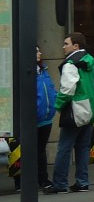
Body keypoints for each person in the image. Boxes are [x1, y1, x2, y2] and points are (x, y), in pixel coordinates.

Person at [47, 32, 94, 194]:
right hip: (91, 109)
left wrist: (58, 106)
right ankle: (82, 182)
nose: (63, 47)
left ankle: (60, 183)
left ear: (75, 46)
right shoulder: (92, 61)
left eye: (66, 43)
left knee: (64, 147)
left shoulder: (71, 63)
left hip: (75, 110)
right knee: (83, 147)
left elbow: (67, 90)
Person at [35, 46, 57, 192]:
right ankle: (23, 180)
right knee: (29, 150)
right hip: (32, 118)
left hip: (46, 118)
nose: (40, 53)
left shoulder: (43, 70)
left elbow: (51, 90)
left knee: (40, 150)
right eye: (36, 51)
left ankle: (43, 179)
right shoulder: (26, 71)